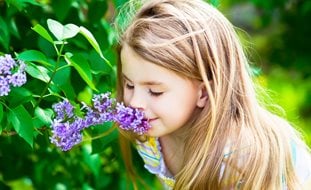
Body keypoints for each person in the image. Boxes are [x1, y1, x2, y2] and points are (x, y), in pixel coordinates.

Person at [114, 0, 311, 189]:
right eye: (129, 85)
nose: (134, 102)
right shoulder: (151, 138)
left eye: (155, 92)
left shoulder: (238, 158)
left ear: (204, 93)